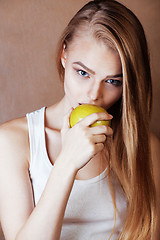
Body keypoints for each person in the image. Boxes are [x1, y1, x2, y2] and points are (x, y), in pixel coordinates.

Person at [0, 0, 159, 239]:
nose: (94, 95)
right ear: (64, 55)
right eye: (83, 73)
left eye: (113, 81)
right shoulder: (13, 141)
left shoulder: (145, 146)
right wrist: (67, 163)